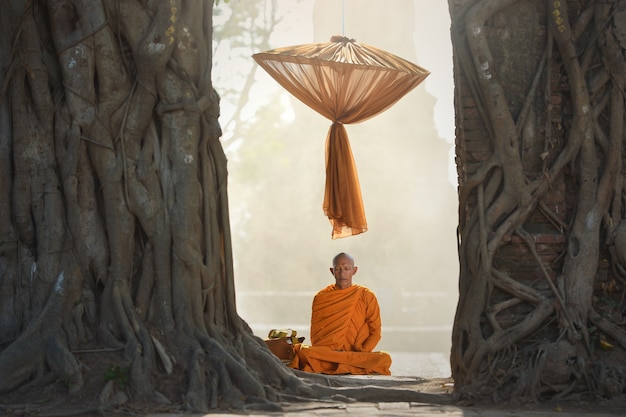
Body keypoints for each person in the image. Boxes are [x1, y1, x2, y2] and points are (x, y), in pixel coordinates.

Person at [288, 252, 392, 375]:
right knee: (305, 352)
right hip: (328, 354)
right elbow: (316, 335)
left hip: (355, 354)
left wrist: (363, 350)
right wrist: (327, 352)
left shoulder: (366, 296)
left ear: (354, 270)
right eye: (338, 269)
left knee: (384, 358)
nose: (342, 273)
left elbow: (375, 331)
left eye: (347, 269)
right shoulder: (321, 297)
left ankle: (342, 363)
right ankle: (346, 364)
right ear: (332, 271)